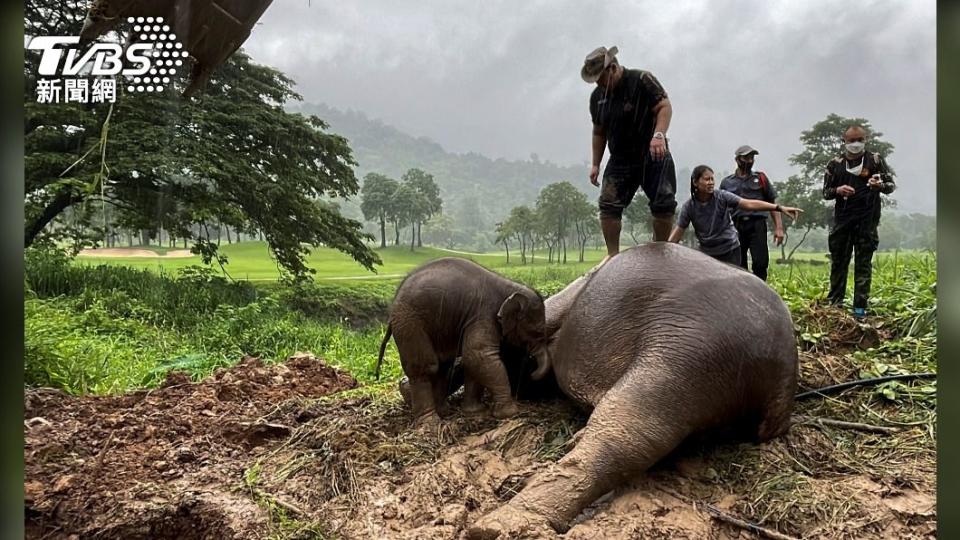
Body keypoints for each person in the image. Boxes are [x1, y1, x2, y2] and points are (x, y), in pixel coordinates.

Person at [582, 46, 677, 265]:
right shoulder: (597, 97)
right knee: (608, 203)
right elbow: (599, 131)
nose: (599, 84)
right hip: (621, 156)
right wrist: (595, 164)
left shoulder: (642, 79)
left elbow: (664, 106)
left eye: (601, 78)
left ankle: (661, 249)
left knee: (663, 202)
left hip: (653, 150)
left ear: (613, 68)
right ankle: (612, 255)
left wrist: (659, 135)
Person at [823, 124, 896, 319]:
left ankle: (859, 310)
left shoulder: (875, 160)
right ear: (844, 142)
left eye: (860, 140)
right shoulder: (834, 164)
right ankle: (835, 307)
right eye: (851, 140)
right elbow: (826, 192)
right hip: (842, 222)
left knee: (863, 265)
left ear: (865, 140)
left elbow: (890, 185)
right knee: (839, 263)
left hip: (867, 222)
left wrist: (879, 185)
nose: (855, 144)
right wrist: (838, 190)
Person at [669, 165, 801, 264]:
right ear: (695, 182)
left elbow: (749, 204)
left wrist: (778, 207)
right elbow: (678, 233)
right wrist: (665, 250)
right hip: (707, 254)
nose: (711, 182)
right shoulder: (689, 207)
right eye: (706, 179)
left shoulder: (722, 197)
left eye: (712, 179)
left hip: (730, 249)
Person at [719, 145, 784, 281]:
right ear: (737, 160)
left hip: (757, 225)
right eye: (746, 157)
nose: (749, 160)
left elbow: (772, 204)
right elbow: (721, 208)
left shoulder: (761, 178)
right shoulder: (727, 182)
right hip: (735, 226)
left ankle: (761, 292)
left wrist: (779, 228)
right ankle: (742, 294)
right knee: (737, 264)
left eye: (752, 157)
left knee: (760, 263)